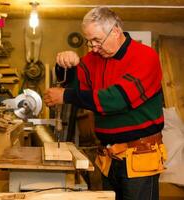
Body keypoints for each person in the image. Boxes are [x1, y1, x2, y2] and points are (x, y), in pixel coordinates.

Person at [44, 7, 167, 200]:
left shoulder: (145, 57)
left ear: (116, 31)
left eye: (97, 40)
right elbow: (74, 84)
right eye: (89, 41)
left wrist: (66, 96)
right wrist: (64, 64)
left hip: (139, 157)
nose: (92, 47)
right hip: (108, 157)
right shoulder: (95, 58)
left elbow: (116, 100)